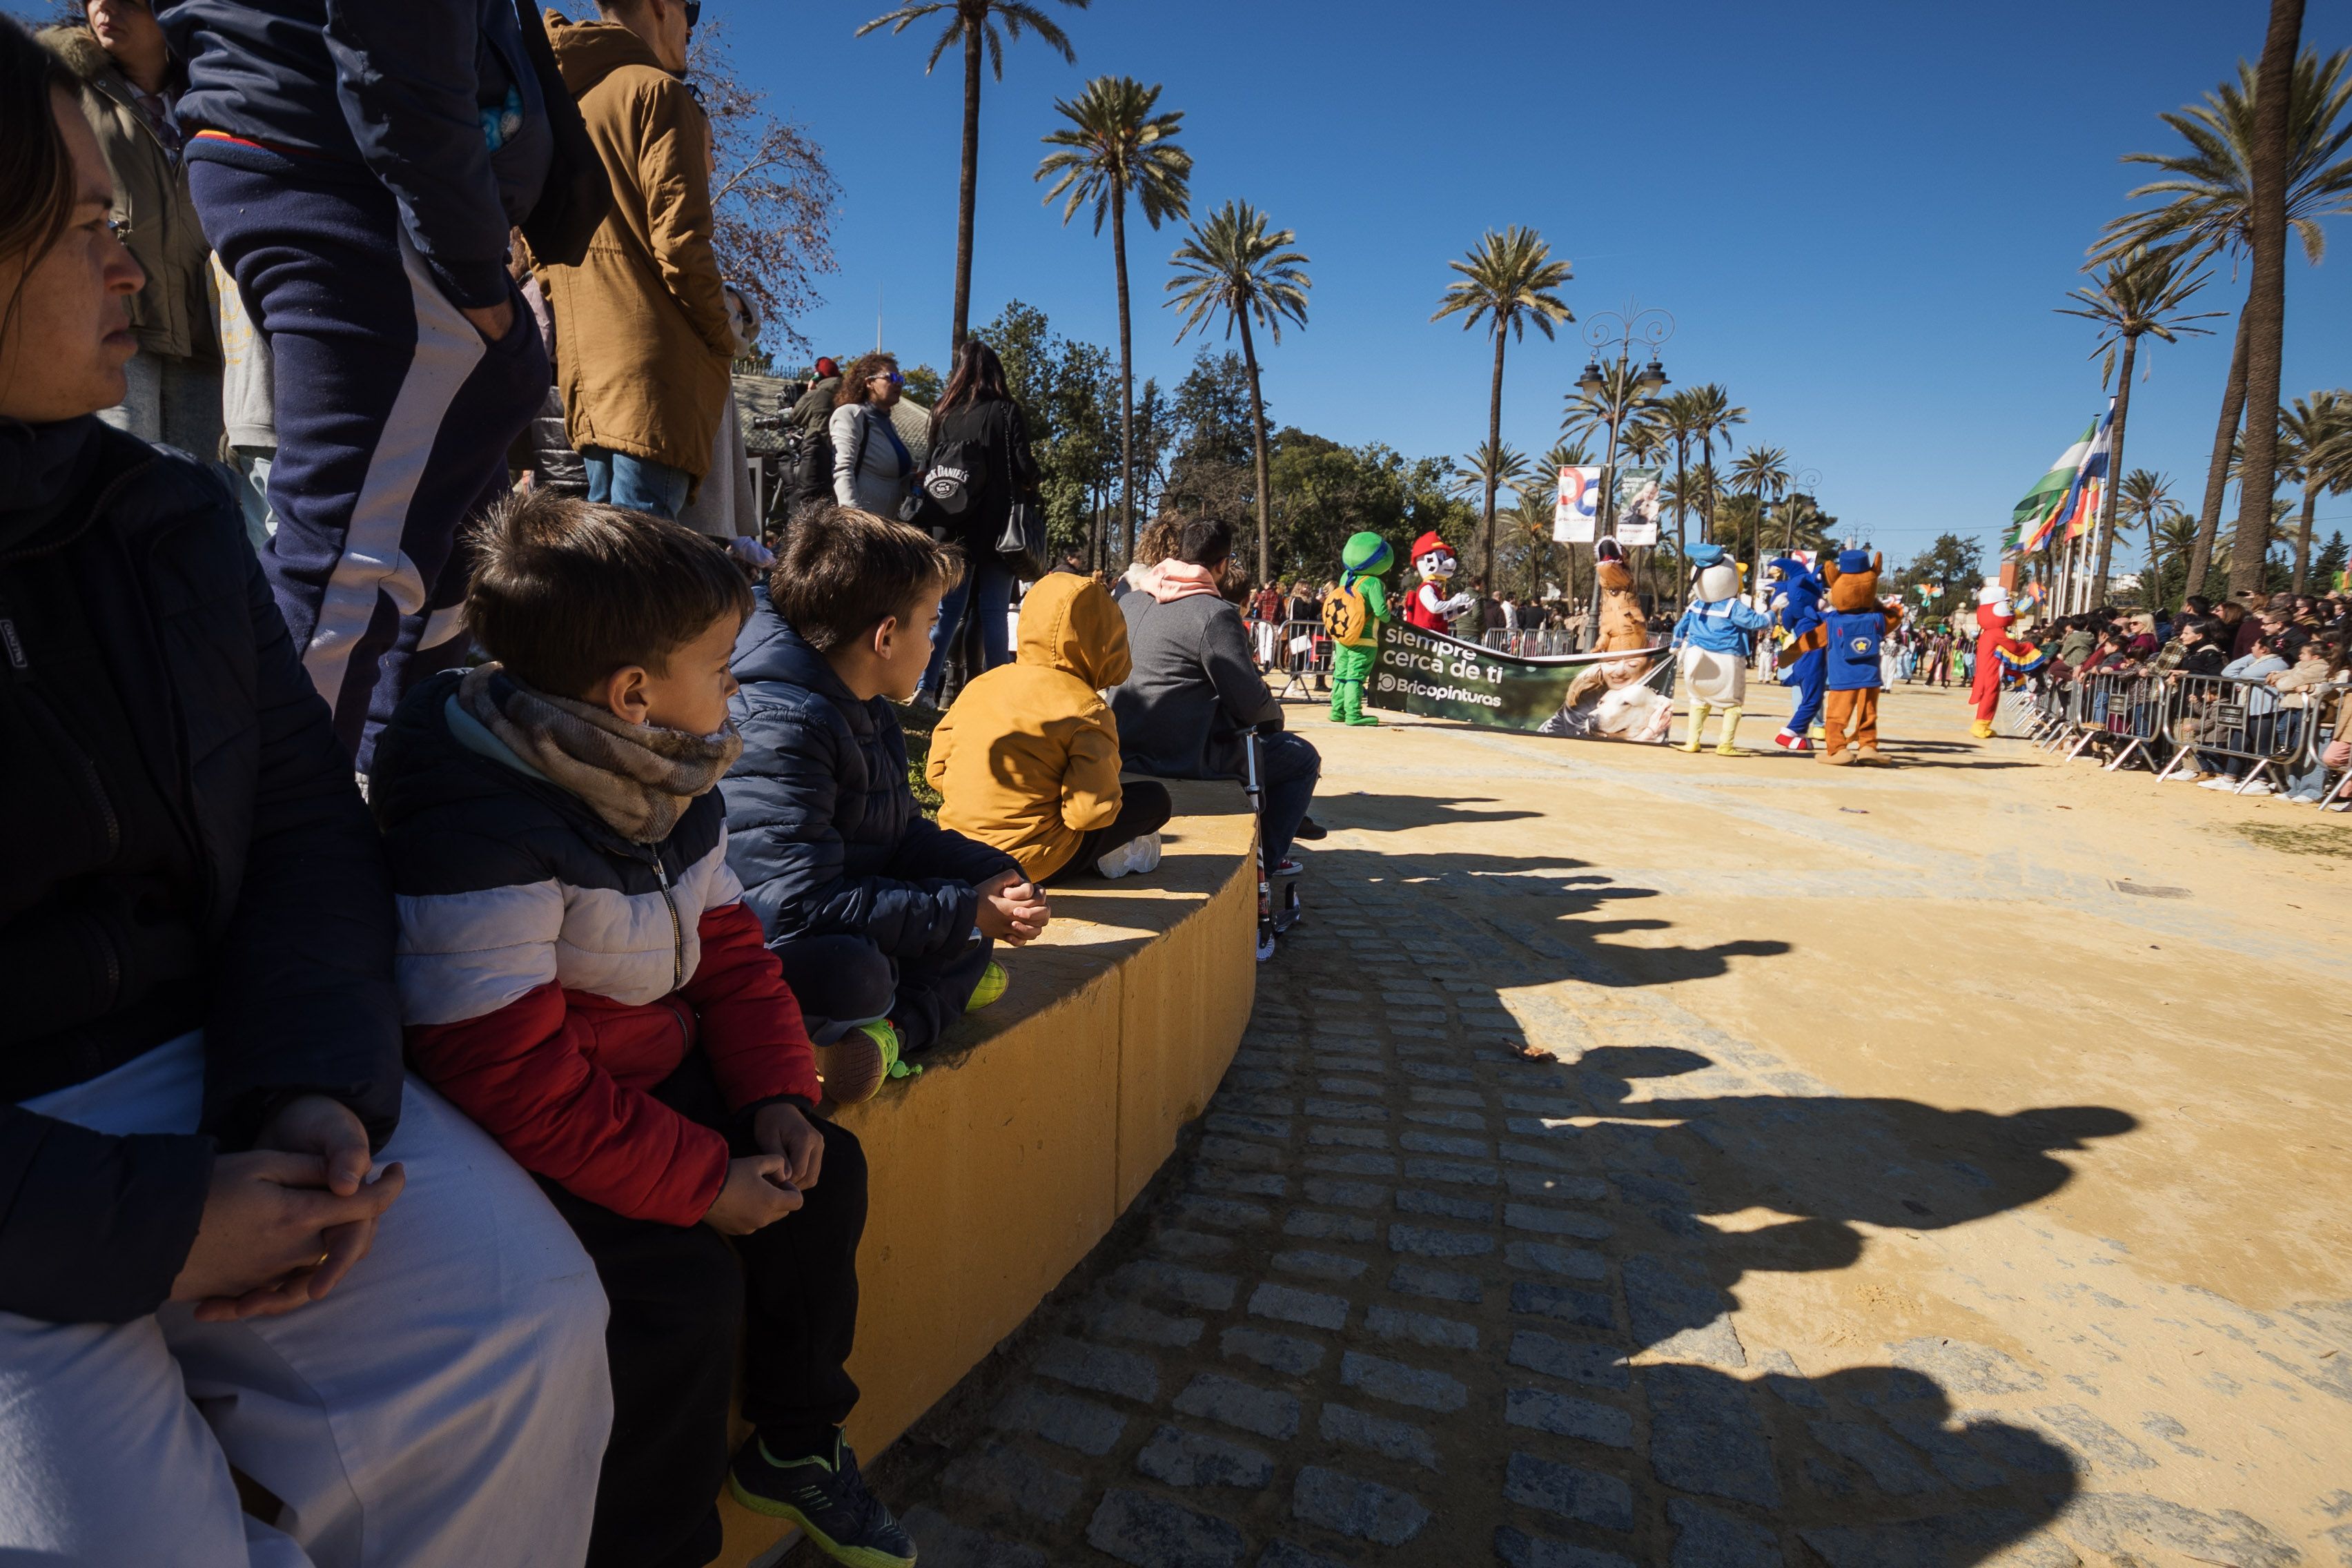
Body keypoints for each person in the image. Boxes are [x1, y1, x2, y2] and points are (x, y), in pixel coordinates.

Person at [0, 41, 611, 1563]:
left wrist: (315, 1093)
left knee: (526, 1324)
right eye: (83, 223)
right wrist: (146, 1225)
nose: (138, 256)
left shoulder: (162, 516)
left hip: (206, 1074)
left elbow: (299, 827)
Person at [369, 492, 911, 1568]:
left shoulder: (668, 779)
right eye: (722, 668)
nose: (736, 691)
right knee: (678, 1298)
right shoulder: (482, 828)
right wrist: (706, 1183)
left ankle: (795, 1446)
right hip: (527, 1127)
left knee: (825, 1177)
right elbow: (513, 1081)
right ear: (633, 695)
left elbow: (735, 955)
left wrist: (775, 1097)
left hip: (638, 1085)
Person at [166, 0, 609, 770]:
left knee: (419, 541)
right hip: (357, 173)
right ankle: (274, 840)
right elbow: (397, 35)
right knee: (347, 562)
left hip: (343, 160)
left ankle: (384, 771)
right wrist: (473, 270)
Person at [723, 505, 1046, 1091]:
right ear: (885, 636)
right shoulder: (781, 724)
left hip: (845, 909)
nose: (934, 644)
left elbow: (898, 834)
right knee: (859, 976)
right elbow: (792, 908)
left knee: (973, 921)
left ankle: (912, 1000)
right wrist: (961, 909)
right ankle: (900, 1021)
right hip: (768, 946)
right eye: (930, 625)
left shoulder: (863, 703)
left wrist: (990, 874)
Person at [540, 0, 728, 522]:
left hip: (589, 374)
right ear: (660, 5)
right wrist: (722, 337)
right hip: (655, 375)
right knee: (645, 574)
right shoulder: (658, 93)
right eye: (691, 9)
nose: (692, 24)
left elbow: (537, 250)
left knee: (606, 569)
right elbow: (683, 245)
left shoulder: (562, 103)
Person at [43, 0, 221, 456]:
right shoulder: (59, 83)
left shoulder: (211, 93)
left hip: (202, 331)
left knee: (199, 488)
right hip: (113, 320)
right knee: (120, 478)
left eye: (125, 0)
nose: (104, 10)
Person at [927, 571, 1173, 883]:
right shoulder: (1087, 709)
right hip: (1033, 862)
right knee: (1154, 799)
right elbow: (1088, 813)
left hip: (961, 850)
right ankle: (1106, 853)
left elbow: (936, 773)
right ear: (1106, 639)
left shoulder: (982, 685)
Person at [1112, 519, 1323, 874]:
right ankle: (1265, 866)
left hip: (1121, 743)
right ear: (1223, 565)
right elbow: (1251, 703)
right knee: (1300, 757)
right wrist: (1275, 719)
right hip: (1180, 755)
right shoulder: (1215, 614)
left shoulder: (1129, 603)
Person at [914, 336, 1037, 709]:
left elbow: (931, 467)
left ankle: (925, 688)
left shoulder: (943, 413)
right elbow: (1026, 468)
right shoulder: (1005, 411)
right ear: (995, 372)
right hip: (999, 529)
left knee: (948, 611)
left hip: (952, 527)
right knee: (995, 612)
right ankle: (999, 693)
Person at [830, 350, 918, 518]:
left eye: (901, 379)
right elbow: (842, 469)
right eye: (891, 378)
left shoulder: (889, 424)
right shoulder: (851, 414)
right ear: (870, 383)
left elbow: (893, 479)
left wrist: (912, 481)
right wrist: (854, 518)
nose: (899, 384)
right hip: (861, 526)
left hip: (885, 527)